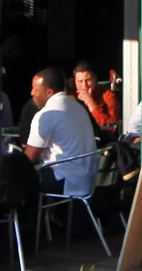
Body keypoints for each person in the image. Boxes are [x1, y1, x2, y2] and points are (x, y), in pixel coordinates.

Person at [24, 67, 99, 203]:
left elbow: (29, 158)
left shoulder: (46, 114)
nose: (31, 93)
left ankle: (28, 223)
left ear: (49, 92)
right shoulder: (78, 107)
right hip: (89, 179)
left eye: (35, 88)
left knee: (20, 178)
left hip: (66, 181)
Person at [73, 63, 122, 132]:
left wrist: (90, 102)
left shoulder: (108, 95)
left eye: (88, 80)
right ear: (74, 81)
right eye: (80, 81)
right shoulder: (71, 96)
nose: (84, 85)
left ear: (95, 78)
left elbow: (111, 125)